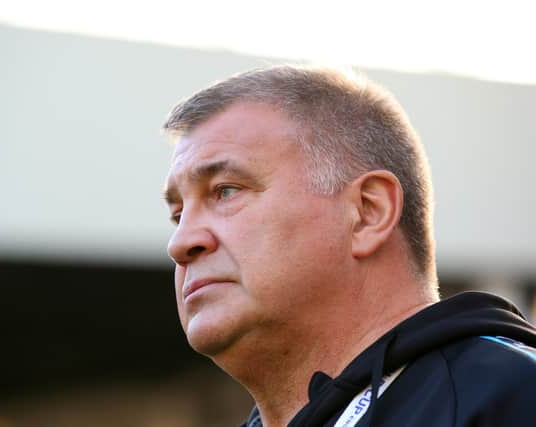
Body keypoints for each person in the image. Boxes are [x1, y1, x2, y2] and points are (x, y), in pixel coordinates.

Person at [160, 66, 536, 427]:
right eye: (178, 214)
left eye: (226, 191)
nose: (181, 243)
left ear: (368, 212)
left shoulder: (510, 396)